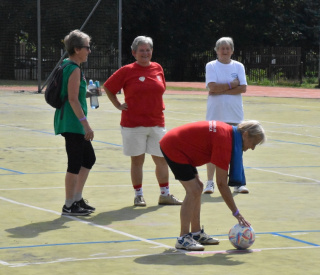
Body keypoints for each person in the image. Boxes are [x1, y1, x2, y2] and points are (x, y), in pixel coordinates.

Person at [160, 120, 265, 251]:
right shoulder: (225, 141)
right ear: (245, 134)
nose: (252, 148)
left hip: (180, 145)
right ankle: (183, 238)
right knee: (193, 190)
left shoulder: (229, 135)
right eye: (253, 143)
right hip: (173, 146)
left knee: (197, 188)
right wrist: (236, 213)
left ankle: (196, 233)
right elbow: (221, 184)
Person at [103, 36, 182, 207]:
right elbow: (108, 87)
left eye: (148, 50)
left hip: (157, 122)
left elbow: (160, 89)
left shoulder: (158, 68)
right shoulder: (127, 70)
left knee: (161, 159)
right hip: (133, 124)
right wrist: (118, 105)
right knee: (137, 161)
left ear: (152, 51)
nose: (145, 53)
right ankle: (139, 195)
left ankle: (165, 195)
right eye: (141, 50)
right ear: (134, 53)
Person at [54, 29, 96, 216]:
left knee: (88, 159)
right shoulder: (73, 69)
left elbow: (73, 93)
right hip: (72, 122)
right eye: (87, 47)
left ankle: (77, 199)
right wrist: (85, 124)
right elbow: (72, 99)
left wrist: (89, 93)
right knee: (75, 162)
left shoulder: (68, 65)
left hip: (72, 120)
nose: (89, 51)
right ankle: (69, 205)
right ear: (77, 49)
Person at [203, 37, 249, 195]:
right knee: (212, 150)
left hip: (234, 115)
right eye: (221, 48)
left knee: (236, 149)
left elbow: (242, 88)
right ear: (216, 50)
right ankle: (209, 183)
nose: (224, 51)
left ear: (232, 50)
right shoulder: (211, 66)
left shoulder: (239, 66)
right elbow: (212, 87)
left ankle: (238, 183)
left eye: (227, 48)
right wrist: (231, 85)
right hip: (215, 115)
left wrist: (221, 90)